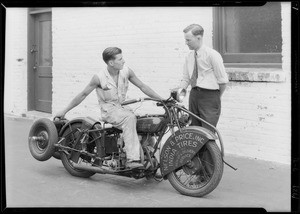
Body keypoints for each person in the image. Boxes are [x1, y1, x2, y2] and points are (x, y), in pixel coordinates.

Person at [55, 47, 163, 169]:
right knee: (130, 118)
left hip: (121, 108)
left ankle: (149, 159)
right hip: (109, 111)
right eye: (120, 59)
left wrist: (162, 99)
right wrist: (64, 110)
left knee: (145, 122)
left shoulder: (126, 71)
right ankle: (132, 159)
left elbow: (142, 86)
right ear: (111, 63)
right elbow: (83, 95)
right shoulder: (99, 77)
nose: (124, 61)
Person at [180, 24, 229, 131]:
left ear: (199, 38)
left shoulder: (212, 55)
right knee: (194, 132)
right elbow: (186, 78)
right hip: (194, 96)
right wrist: (180, 91)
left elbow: (223, 81)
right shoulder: (189, 57)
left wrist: (216, 97)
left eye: (188, 40)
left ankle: (211, 149)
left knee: (208, 133)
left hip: (209, 96)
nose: (186, 43)